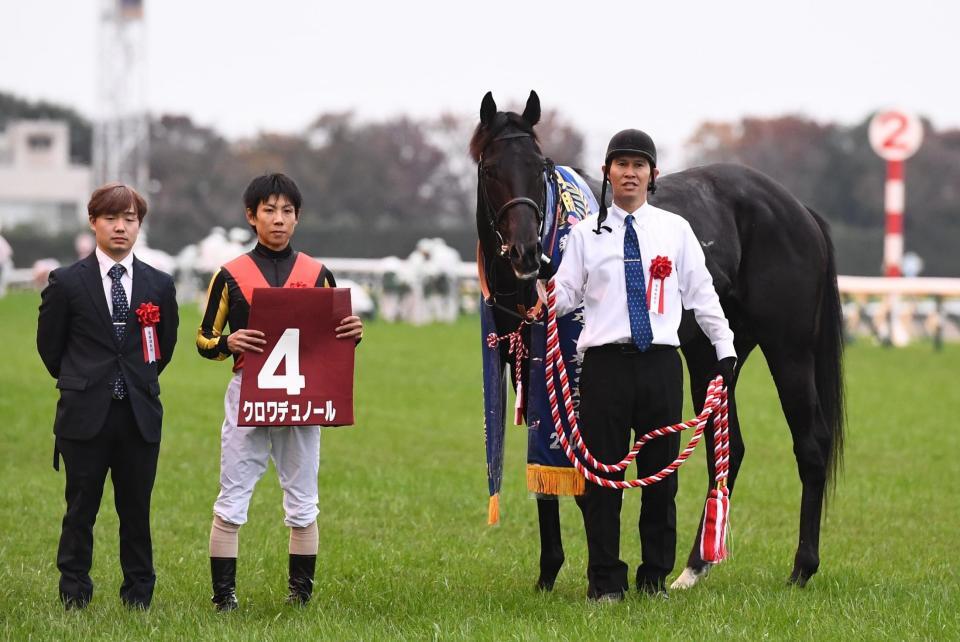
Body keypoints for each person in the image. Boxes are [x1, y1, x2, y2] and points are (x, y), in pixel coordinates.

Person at [549, 130, 736, 601]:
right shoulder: (583, 235)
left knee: (661, 481)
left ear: (653, 175)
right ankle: (605, 583)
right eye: (621, 164)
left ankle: (654, 578)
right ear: (608, 173)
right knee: (602, 483)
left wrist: (725, 347)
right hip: (605, 369)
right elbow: (567, 295)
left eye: (639, 165)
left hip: (660, 367)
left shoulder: (675, 230)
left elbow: (702, 295)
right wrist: (541, 295)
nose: (629, 173)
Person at [196, 173, 363, 611]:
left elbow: (334, 338)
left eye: (287, 211)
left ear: (297, 217)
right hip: (248, 393)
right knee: (232, 498)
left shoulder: (317, 273)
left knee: (304, 500)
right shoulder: (229, 274)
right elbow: (203, 339)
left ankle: (301, 597)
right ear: (252, 216)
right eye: (269, 210)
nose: (279, 219)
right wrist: (227, 344)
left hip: (303, 399)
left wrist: (352, 333)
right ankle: (224, 598)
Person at [37, 183, 179, 610]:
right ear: (93, 222)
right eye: (112, 218)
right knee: (80, 509)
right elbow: (50, 347)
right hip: (84, 414)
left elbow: (163, 349)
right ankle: (74, 592)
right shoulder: (66, 282)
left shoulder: (158, 284)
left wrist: (135, 380)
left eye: (130, 219)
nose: (121, 227)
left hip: (138, 414)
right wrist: (83, 381)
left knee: (136, 510)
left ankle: (138, 594)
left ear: (139, 225)